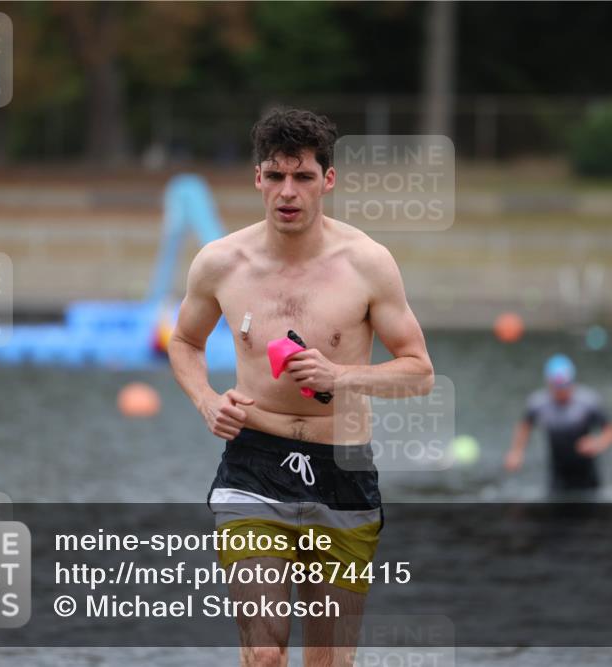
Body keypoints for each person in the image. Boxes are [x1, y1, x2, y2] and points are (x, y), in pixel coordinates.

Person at [168, 107, 434, 667]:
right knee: (265, 652)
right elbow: (184, 342)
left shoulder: (367, 264)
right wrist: (206, 400)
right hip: (253, 466)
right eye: (276, 176)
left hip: (342, 467)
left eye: (304, 177)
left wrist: (341, 375)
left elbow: (419, 371)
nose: (289, 192)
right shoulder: (219, 263)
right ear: (258, 179)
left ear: (327, 181)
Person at [503, 354, 612, 495]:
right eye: (557, 387)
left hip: (587, 473)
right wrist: (517, 451)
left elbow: (611, 430)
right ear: (549, 384)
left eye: (565, 386)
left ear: (572, 382)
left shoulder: (588, 402)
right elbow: (525, 426)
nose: (561, 392)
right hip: (558, 472)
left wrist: (598, 443)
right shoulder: (538, 404)